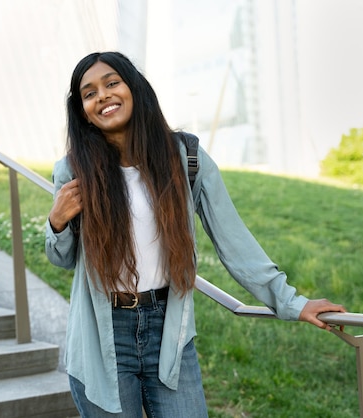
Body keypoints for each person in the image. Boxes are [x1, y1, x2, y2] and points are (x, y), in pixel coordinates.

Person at [45, 51, 346, 418]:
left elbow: (234, 240)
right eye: (89, 93)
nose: (102, 96)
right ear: (82, 110)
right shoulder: (73, 170)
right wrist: (57, 222)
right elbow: (61, 258)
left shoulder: (186, 157)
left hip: (168, 329)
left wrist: (291, 302)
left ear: (134, 88)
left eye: (111, 83)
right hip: (101, 335)